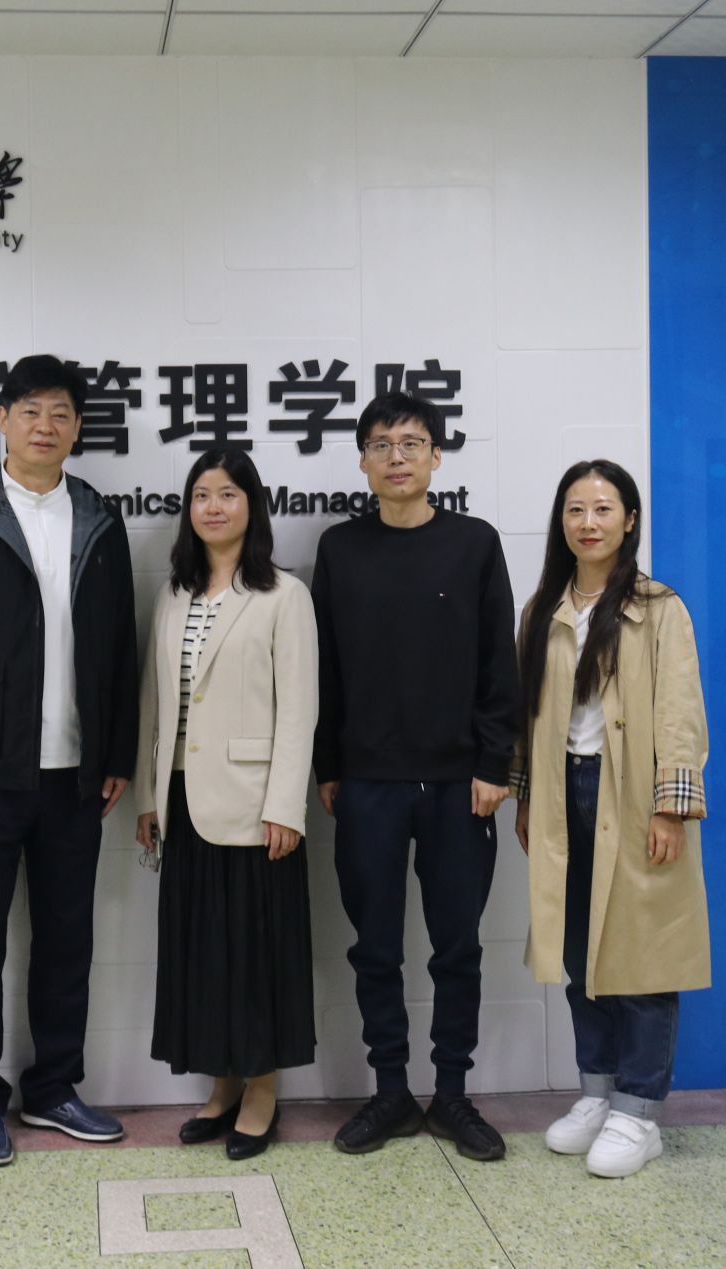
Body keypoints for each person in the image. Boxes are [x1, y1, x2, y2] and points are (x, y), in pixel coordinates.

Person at [0, 354, 140, 1167]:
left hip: (76, 773)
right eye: (31, 410)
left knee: (67, 940)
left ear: (78, 429)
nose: (47, 425)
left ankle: (53, 1087)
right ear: (2, 419)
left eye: (62, 413)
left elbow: (120, 643)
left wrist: (115, 751)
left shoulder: (98, 515)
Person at [312, 391, 517, 1164]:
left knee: (456, 945)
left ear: (436, 456)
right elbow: (326, 668)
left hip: (460, 783)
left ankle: (453, 1091)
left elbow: (500, 664)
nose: (396, 456)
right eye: (381, 444)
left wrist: (494, 764)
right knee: (375, 946)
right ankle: (391, 1089)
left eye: (411, 442)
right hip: (367, 781)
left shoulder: (474, 543)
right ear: (363, 461)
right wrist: (330, 766)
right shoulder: (341, 548)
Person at [512, 460, 710, 1179]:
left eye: (602, 509)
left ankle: (639, 1109)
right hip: (562, 795)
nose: (588, 522)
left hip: (629, 798)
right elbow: (528, 714)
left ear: (629, 520)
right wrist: (526, 794)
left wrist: (671, 806)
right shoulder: (543, 610)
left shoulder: (658, 607)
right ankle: (597, 1092)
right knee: (579, 957)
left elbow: (680, 710)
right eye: (575, 509)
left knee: (642, 958)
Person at [134, 449, 318, 1162]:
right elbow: (156, 701)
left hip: (253, 803)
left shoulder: (283, 594)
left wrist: (286, 806)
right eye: (201, 495)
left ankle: (263, 1089)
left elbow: (299, 710)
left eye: (228, 494)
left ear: (252, 505)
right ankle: (222, 1085)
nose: (213, 507)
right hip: (182, 799)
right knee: (202, 953)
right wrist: (150, 794)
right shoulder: (174, 593)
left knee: (256, 953)